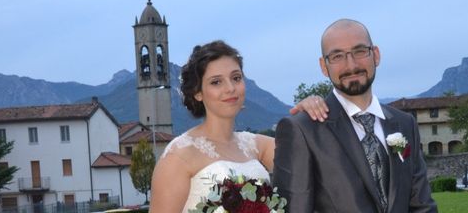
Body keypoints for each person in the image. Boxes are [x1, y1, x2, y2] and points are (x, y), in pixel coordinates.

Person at [274, 19, 438, 213]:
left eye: (359, 51)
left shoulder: (405, 124)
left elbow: (422, 205)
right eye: (337, 56)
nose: (351, 65)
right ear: (324, 66)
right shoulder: (303, 130)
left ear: (375, 55)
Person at [150, 40, 326, 213]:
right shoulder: (179, 155)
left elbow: (315, 161)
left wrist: (307, 114)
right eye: (216, 82)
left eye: (236, 78)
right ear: (197, 92)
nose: (230, 88)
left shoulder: (256, 146)